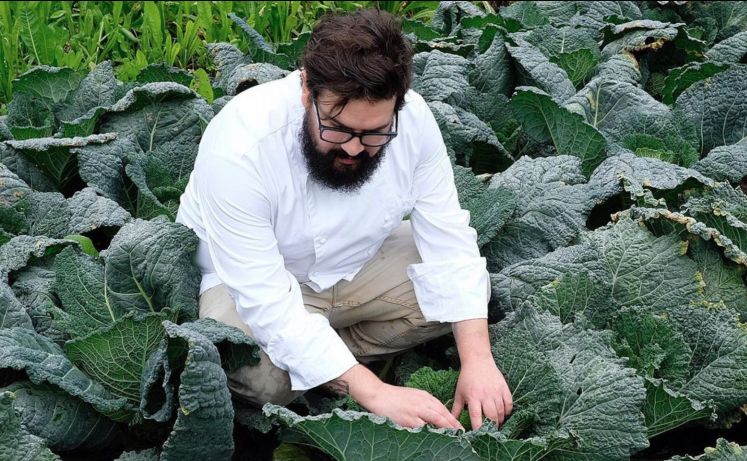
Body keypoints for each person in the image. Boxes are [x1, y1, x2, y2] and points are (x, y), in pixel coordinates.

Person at [175, 9, 512, 430]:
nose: (354, 149)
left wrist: (478, 361)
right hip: (247, 281)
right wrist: (374, 392)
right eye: (338, 129)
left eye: (374, 134)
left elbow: (448, 237)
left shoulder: (415, 123)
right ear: (305, 91)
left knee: (464, 300)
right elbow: (266, 302)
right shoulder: (241, 146)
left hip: (356, 264)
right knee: (257, 377)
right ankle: (331, 367)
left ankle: (323, 362)